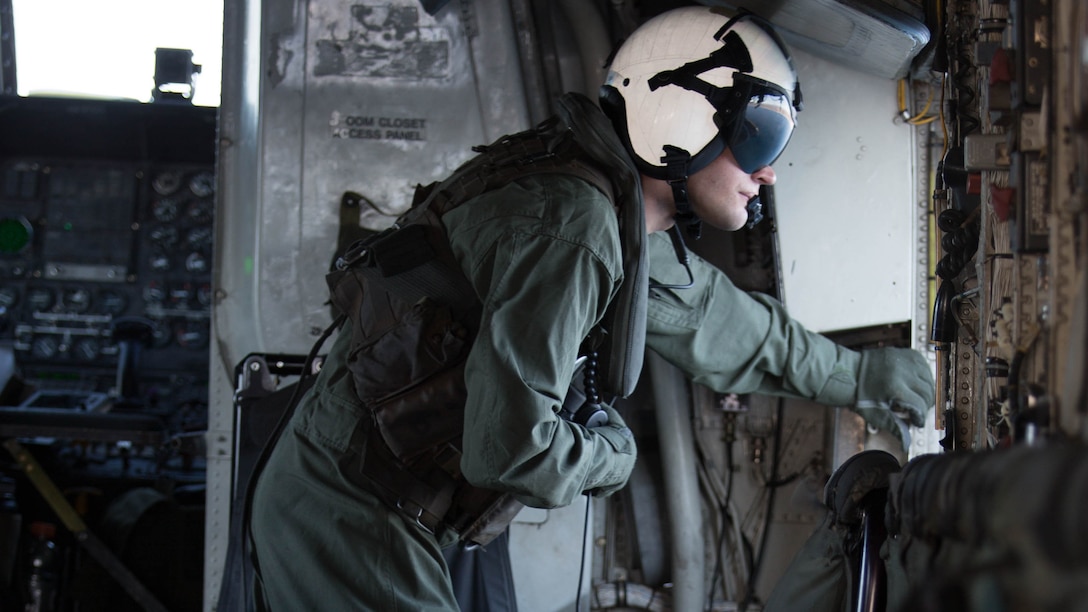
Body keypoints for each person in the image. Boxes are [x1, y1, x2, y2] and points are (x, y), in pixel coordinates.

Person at [248, 5, 935, 610]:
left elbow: (718, 322)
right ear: (679, 118)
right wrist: (613, 456)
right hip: (348, 508)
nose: (769, 171)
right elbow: (508, 448)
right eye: (758, 135)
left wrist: (863, 378)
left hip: (363, 501)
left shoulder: (608, 206)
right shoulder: (574, 227)